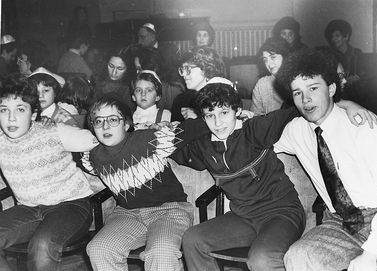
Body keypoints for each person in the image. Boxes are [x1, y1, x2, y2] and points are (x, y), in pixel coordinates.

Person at [170, 78, 374, 271]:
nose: (218, 122)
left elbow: (300, 108)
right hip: (243, 217)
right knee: (193, 239)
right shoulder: (203, 146)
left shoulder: (255, 130)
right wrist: (159, 132)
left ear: (238, 111)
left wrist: (346, 104)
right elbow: (174, 148)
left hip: (282, 214)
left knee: (262, 259)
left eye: (224, 113)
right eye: (210, 115)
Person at [274, 49, 377, 271]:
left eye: (313, 88)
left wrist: (370, 254)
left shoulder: (365, 127)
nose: (306, 99)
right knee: (298, 257)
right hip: (340, 222)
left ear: (331, 88)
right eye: (297, 93)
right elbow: (253, 137)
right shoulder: (295, 130)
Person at [0, 77, 98, 271]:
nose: (11, 118)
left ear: (33, 112)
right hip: (28, 208)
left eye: (20, 109)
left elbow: (101, 140)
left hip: (71, 205)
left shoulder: (53, 131)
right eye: (4, 110)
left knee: (42, 246)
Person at [86, 95, 193, 271]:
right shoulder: (92, 156)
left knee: (161, 252)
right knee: (99, 249)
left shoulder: (147, 139)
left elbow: (188, 132)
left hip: (169, 210)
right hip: (127, 214)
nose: (105, 126)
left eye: (113, 119)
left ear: (126, 125)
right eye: (98, 121)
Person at [171, 46, 225, 122]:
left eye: (188, 69)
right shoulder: (181, 100)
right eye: (182, 69)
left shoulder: (222, 99)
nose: (183, 74)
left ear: (206, 69)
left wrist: (198, 120)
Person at [324, 19, 362, 102]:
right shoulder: (329, 54)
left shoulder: (357, 53)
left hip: (356, 93)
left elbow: (361, 74)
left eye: (337, 36)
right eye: (332, 36)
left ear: (346, 36)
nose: (333, 39)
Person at [250, 37, 290, 115]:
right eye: (265, 60)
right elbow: (255, 118)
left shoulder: (297, 81)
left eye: (273, 57)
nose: (269, 64)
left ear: (285, 57)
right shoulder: (262, 84)